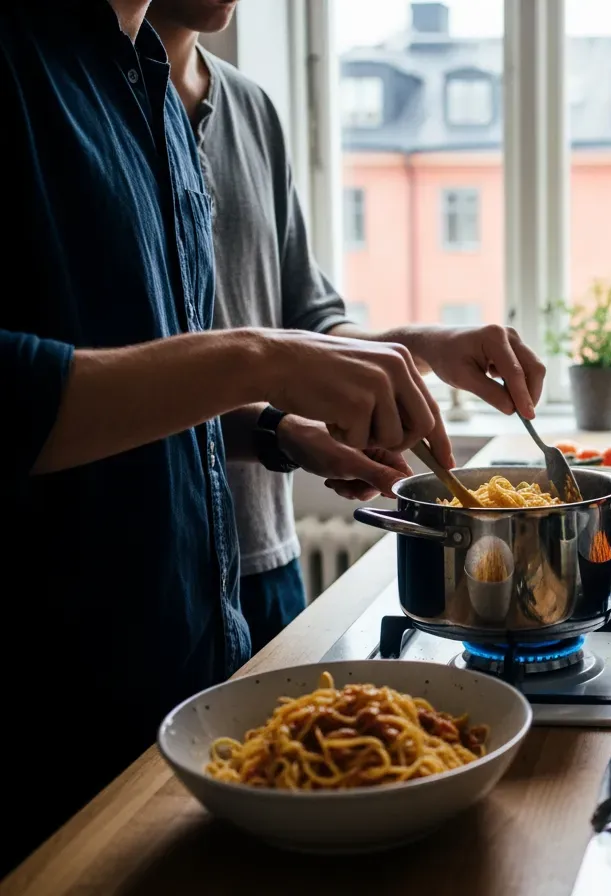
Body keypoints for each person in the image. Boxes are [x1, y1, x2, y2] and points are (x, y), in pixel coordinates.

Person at [0, 0, 444, 872]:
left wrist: (275, 431)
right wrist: (252, 358)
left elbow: (143, 392)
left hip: (193, 661)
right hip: (48, 715)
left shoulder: (150, 90)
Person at [144, 0, 547, 653]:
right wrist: (276, 418)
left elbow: (307, 321)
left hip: (262, 556)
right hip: (148, 571)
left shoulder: (251, 107)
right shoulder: (73, 105)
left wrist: (422, 345)